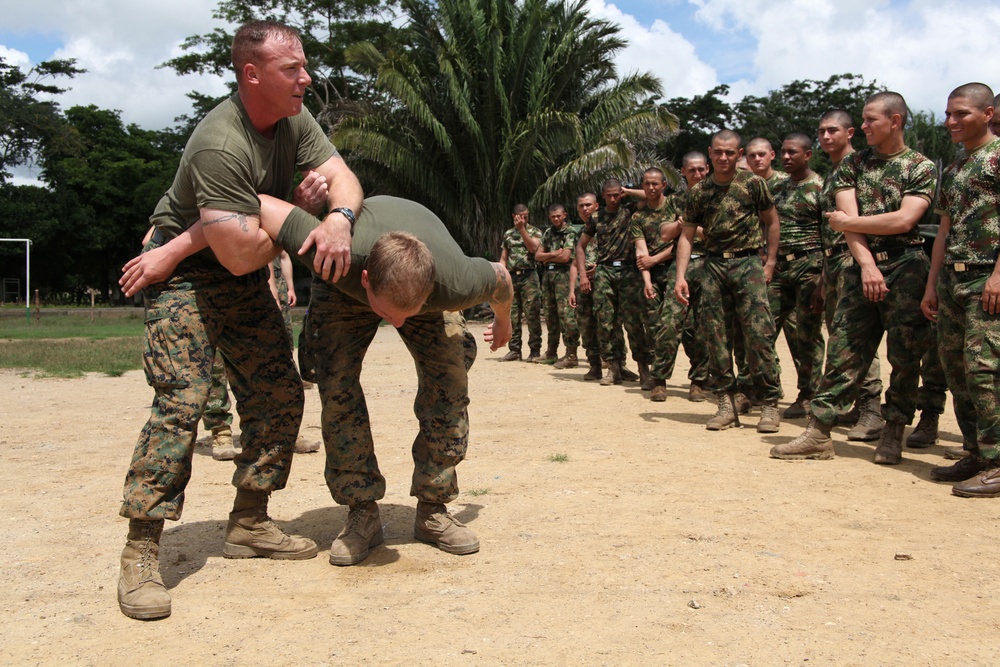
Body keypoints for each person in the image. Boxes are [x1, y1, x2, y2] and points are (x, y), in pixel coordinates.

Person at [114, 20, 364, 620]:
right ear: (252, 74)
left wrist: (338, 218)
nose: (306, 78)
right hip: (188, 279)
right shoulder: (220, 143)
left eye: (304, 66)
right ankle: (141, 549)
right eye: (291, 69)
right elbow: (239, 251)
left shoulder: (293, 118)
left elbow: (343, 177)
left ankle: (250, 521)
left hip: (243, 273)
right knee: (183, 401)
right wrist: (295, 210)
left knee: (279, 394)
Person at [262, 194, 513, 564]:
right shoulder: (333, 255)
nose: (395, 324)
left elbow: (502, 278)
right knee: (336, 386)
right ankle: (361, 510)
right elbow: (259, 204)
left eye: (404, 315)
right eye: (387, 314)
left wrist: (503, 321)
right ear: (365, 281)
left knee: (450, 381)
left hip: (423, 281)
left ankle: (433, 507)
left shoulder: (455, 280)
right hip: (341, 281)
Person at [771, 92, 935, 463]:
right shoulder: (851, 165)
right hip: (858, 264)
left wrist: (851, 224)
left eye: (870, 120)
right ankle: (819, 432)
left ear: (894, 121)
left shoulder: (920, 165)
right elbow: (848, 226)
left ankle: (893, 430)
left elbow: (904, 220)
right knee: (844, 350)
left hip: (908, 266)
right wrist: (867, 265)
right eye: (861, 120)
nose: (863, 127)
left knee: (905, 354)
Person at [674, 130, 783, 433]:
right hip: (713, 266)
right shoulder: (699, 192)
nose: (724, 158)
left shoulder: (753, 184)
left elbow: (772, 221)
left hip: (748, 264)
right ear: (710, 153)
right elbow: (686, 235)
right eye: (718, 152)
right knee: (715, 338)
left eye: (730, 152)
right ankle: (726, 404)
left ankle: (770, 403)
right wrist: (680, 276)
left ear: (740, 153)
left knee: (759, 335)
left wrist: (770, 260)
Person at [920, 83, 1000, 495]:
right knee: (956, 368)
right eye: (948, 114)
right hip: (953, 278)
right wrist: (932, 285)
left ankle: (999, 458)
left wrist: (998, 277)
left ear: (987, 114)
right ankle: (976, 451)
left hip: (988, 277)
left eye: (961, 114)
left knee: (984, 369)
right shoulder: (952, 169)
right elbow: (943, 230)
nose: (950, 121)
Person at [812, 110, 886, 442]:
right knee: (839, 335)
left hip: (852, 260)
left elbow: (854, 221)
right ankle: (856, 406)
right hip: (832, 262)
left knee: (855, 338)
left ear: (850, 132)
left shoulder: (859, 167)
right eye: (821, 132)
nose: (826, 137)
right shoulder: (833, 172)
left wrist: (864, 263)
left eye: (833, 131)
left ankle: (872, 411)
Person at [768, 133, 826, 418]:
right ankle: (763, 388)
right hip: (779, 267)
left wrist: (823, 282)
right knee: (762, 327)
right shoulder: (777, 187)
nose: (786, 157)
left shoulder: (820, 187)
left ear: (808, 155)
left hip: (810, 266)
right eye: (783, 152)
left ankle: (808, 394)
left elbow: (831, 236)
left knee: (808, 333)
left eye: (793, 152)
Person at [577, 179, 651, 387]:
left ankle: (644, 369)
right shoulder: (595, 218)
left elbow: (649, 195)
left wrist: (628, 191)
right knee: (606, 322)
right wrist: (583, 275)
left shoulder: (629, 211)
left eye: (616, 194)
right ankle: (612, 369)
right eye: (608, 195)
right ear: (602, 195)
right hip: (605, 271)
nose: (612, 198)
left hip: (628, 270)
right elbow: (580, 247)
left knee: (634, 322)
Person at [631, 168, 685, 400]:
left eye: (655, 184)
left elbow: (684, 240)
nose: (651, 188)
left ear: (664, 184)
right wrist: (647, 281)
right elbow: (641, 252)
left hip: (676, 269)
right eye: (646, 184)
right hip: (651, 274)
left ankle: (695, 380)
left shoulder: (675, 205)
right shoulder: (638, 218)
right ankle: (658, 380)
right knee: (654, 326)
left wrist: (656, 258)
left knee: (672, 324)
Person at [268, 250, 321, 454]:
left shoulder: (276, 223)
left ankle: (287, 433)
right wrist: (271, 286)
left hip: (275, 290)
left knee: (284, 359)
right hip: (257, 285)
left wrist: (289, 287)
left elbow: (282, 255)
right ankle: (222, 431)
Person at [671, 152, 712, 402]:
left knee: (710, 327)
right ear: (683, 172)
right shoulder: (675, 200)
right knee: (683, 327)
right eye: (692, 170)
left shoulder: (716, 194)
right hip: (683, 266)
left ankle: (703, 380)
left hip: (712, 265)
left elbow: (717, 235)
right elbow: (666, 234)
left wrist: (690, 227)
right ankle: (698, 375)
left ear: (707, 169)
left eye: (701, 170)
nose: (697, 174)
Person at [535, 203, 581, 367]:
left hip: (564, 275)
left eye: (558, 216)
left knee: (567, 315)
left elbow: (566, 257)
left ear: (564, 215)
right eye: (553, 216)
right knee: (550, 315)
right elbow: (538, 256)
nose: (555, 219)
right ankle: (551, 352)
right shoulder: (548, 232)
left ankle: (571, 354)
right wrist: (554, 253)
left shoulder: (570, 232)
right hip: (548, 276)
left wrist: (548, 257)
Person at [499, 204, 543, 362]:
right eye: (520, 217)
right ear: (514, 216)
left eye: (525, 216)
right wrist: (501, 276)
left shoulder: (534, 231)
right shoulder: (509, 234)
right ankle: (515, 349)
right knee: (513, 315)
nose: (523, 219)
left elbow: (533, 248)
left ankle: (535, 350)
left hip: (529, 276)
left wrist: (522, 229)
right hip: (512, 277)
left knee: (532, 314)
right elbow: (504, 257)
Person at [568, 193, 604, 380]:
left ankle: (618, 365)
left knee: (608, 323)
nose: (585, 209)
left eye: (588, 205)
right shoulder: (578, 232)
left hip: (605, 280)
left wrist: (599, 268)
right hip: (583, 283)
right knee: (586, 324)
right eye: (581, 205)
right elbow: (574, 262)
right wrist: (572, 289)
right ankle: (594, 365)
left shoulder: (606, 225)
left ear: (597, 206)